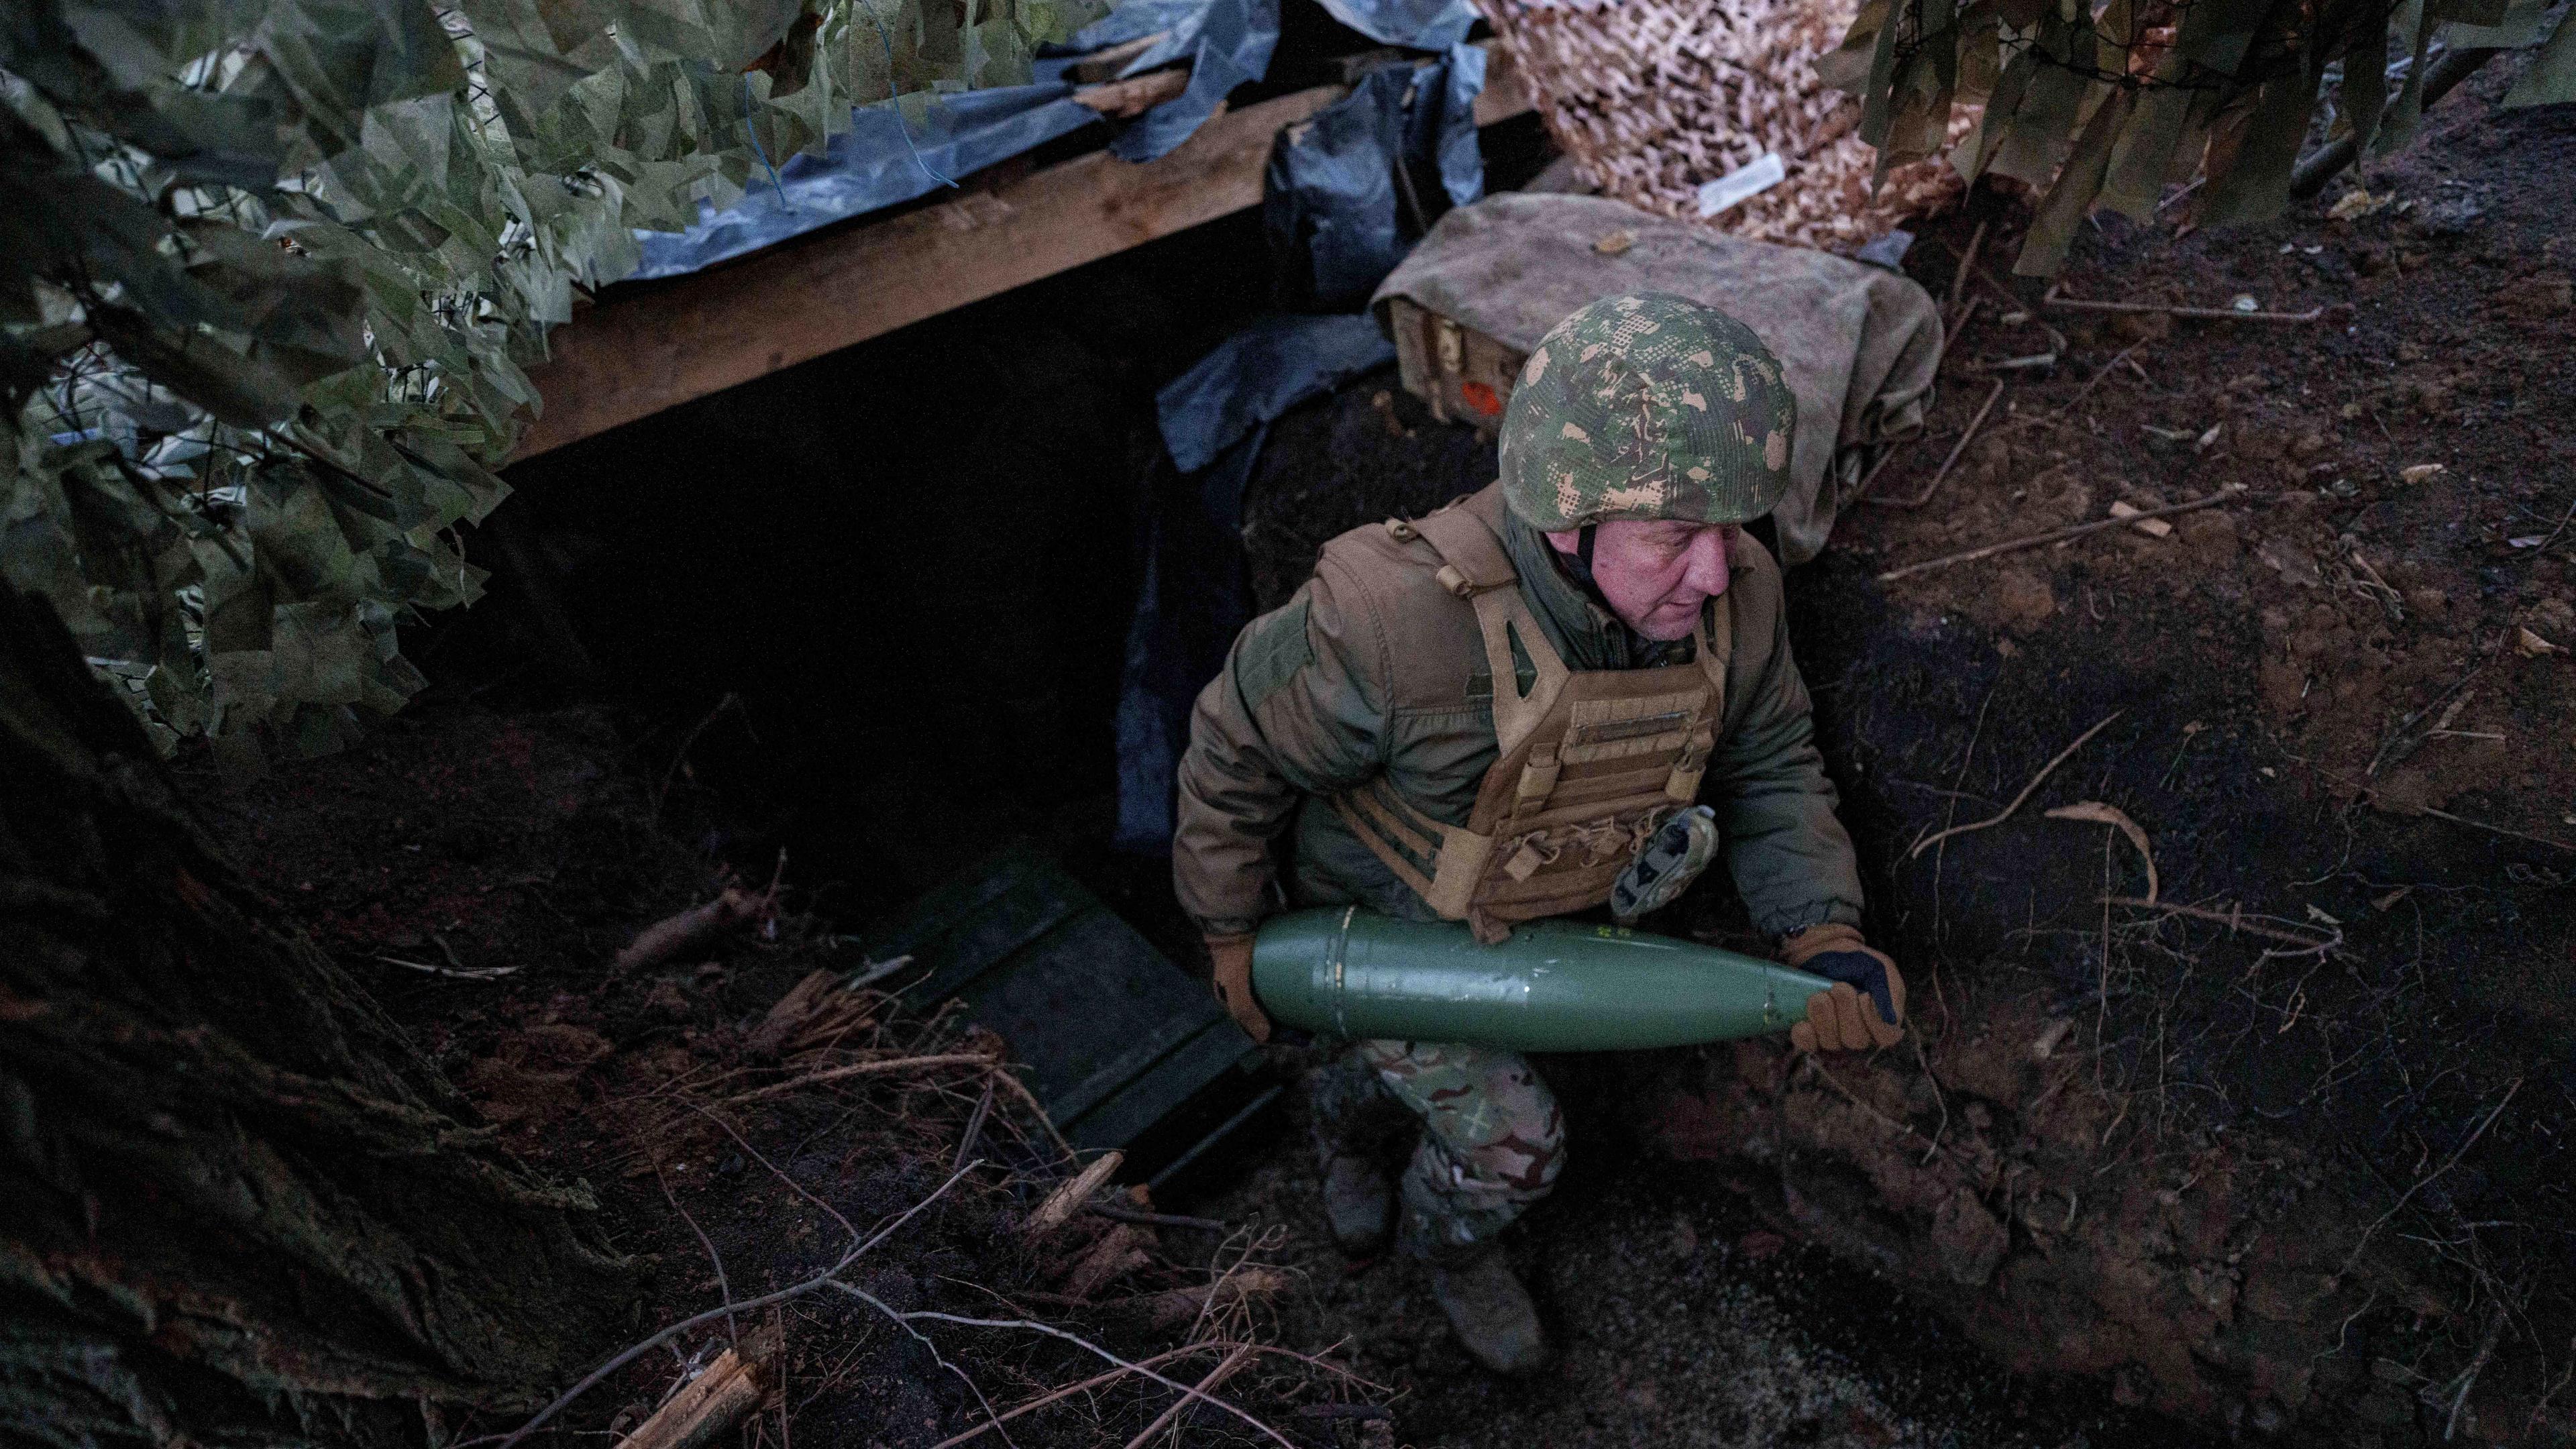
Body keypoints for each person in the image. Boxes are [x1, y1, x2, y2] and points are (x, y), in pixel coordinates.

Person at [1171, 293, 1905, 1375]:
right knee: (1517, 1144)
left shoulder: (1735, 596)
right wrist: (1229, 924)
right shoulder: (1391, 622)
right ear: (1568, 515)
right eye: (1674, 536)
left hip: (1545, 916)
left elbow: (1772, 760)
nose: (1715, 574)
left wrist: (1821, 935)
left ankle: (1349, 1114)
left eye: (1730, 529)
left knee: (1397, 1074)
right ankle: (1451, 1247)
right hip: (1383, 923)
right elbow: (1233, 742)